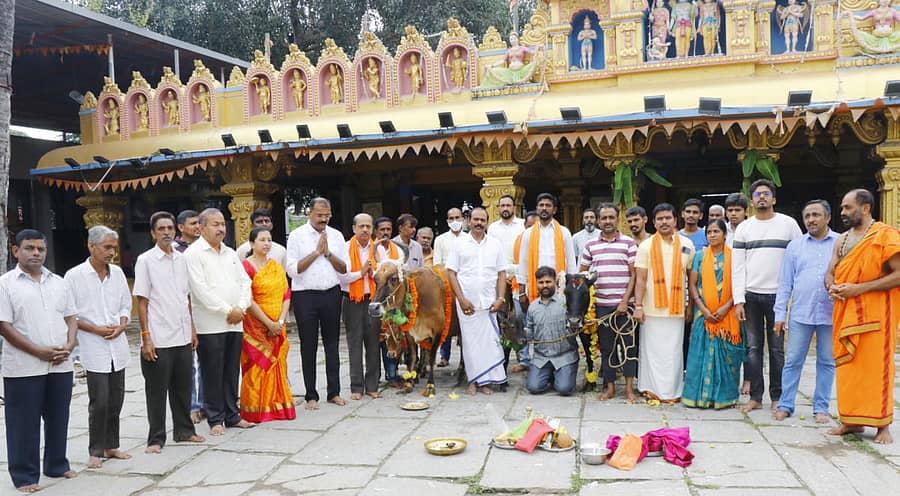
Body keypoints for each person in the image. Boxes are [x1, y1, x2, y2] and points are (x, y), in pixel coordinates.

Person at [0, 230, 78, 492]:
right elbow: (4, 326)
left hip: (60, 362)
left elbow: (71, 317)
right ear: (15, 251)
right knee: (23, 422)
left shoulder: (59, 282)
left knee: (58, 417)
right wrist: (38, 351)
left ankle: (56, 464)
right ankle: (24, 476)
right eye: (29, 248)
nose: (36, 253)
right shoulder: (5, 284)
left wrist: (70, 344)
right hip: (24, 366)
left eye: (40, 249)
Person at [827, 189, 900, 444]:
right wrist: (831, 286)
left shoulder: (885, 235)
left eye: (848, 207)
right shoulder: (842, 240)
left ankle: (882, 425)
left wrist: (859, 289)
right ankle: (851, 421)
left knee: (877, 370)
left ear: (866, 208)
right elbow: (831, 271)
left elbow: (898, 274)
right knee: (848, 370)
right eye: (842, 208)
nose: (843, 212)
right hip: (846, 313)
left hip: (877, 315)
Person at [133, 212, 204, 454]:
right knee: (156, 391)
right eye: (161, 228)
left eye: (170, 228)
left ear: (175, 230)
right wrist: (146, 336)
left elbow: (186, 297)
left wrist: (192, 329)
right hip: (158, 335)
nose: (166, 232)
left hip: (182, 333)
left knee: (183, 387)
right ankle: (155, 439)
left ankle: (184, 431)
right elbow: (142, 301)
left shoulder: (182, 259)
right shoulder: (145, 260)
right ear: (153, 233)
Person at [64, 226, 132, 469]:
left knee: (116, 399)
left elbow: (126, 304)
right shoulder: (74, 276)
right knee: (100, 401)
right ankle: (95, 450)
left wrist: (122, 325)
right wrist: (94, 329)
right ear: (91, 246)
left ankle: (111, 445)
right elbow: (69, 314)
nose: (112, 252)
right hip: (93, 346)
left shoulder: (118, 273)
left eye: (114, 247)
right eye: (107, 247)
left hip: (117, 345)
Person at [732, 179, 802, 413]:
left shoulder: (789, 225)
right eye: (757, 194)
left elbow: (798, 259)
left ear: (774, 198)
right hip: (751, 296)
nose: (761, 197)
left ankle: (777, 396)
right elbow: (737, 267)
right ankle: (755, 397)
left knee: (776, 349)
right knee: (753, 348)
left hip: (779, 297)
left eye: (766, 193)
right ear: (751, 201)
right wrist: (738, 300)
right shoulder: (744, 228)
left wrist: (793, 295)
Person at [184, 208, 255, 434]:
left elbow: (245, 282)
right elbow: (199, 290)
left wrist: (241, 307)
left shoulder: (230, 253)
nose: (221, 228)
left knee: (231, 370)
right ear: (201, 228)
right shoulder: (193, 254)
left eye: (223, 224)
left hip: (235, 322)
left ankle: (232, 415)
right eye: (215, 224)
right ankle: (215, 419)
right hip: (210, 324)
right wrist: (228, 310)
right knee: (212, 372)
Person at [773, 200, 836, 423]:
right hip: (801, 313)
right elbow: (785, 283)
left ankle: (821, 408)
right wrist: (780, 314)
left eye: (816, 215)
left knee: (827, 362)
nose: (811, 219)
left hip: (831, 314)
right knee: (793, 361)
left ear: (828, 218)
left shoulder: (841, 243)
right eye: (807, 216)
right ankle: (786, 404)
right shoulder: (795, 246)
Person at [286, 198, 348, 409]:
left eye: (327, 215)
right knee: (308, 345)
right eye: (319, 215)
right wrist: (316, 252)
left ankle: (334, 392)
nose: (323, 219)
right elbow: (293, 270)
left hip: (331, 293)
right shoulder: (297, 236)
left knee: (332, 344)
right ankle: (311, 395)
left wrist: (328, 253)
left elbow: (344, 268)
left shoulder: (336, 235)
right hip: (305, 296)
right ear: (309, 213)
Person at [633, 203, 696, 402]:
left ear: (675, 220)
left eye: (668, 218)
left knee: (673, 352)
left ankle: (672, 391)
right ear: (653, 222)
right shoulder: (646, 246)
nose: (664, 222)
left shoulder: (687, 245)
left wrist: (690, 306)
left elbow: (691, 279)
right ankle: (650, 388)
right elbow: (640, 279)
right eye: (660, 219)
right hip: (651, 309)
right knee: (652, 352)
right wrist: (638, 306)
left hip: (676, 309)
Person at [579, 204, 638, 402]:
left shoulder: (629, 243)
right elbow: (583, 276)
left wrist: (625, 301)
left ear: (617, 219)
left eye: (611, 217)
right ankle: (610, 388)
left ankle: (629, 389)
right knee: (607, 348)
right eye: (603, 218)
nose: (607, 221)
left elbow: (634, 275)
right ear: (598, 220)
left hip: (625, 306)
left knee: (629, 347)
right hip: (602, 306)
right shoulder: (590, 246)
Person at [683, 219, 745, 409]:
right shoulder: (700, 256)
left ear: (725, 234)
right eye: (709, 232)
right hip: (703, 314)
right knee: (699, 355)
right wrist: (703, 309)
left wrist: (726, 306)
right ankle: (698, 397)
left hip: (728, 313)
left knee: (729, 356)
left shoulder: (734, 256)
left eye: (716, 231)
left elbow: (739, 284)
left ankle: (724, 398)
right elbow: (693, 285)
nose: (712, 235)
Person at [447, 207, 508, 395]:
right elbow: (451, 273)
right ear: (469, 221)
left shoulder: (495, 244)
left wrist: (500, 298)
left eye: (482, 220)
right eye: (476, 219)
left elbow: (502, 273)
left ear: (487, 223)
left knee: (488, 343)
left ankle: (485, 381)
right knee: (470, 343)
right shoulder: (459, 244)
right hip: (468, 304)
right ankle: (473, 380)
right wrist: (461, 299)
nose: (479, 223)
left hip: (489, 303)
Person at [239, 227, 295, 422]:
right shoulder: (245, 267)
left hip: (278, 324)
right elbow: (248, 298)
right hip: (255, 325)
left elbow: (286, 294)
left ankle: (278, 407)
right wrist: (268, 323)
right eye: (262, 240)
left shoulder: (276, 266)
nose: (267, 243)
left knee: (278, 364)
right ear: (252, 243)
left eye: (269, 240)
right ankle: (256, 409)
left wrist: (279, 321)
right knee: (257, 366)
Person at [339, 214, 383, 400]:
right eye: (361, 226)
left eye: (368, 226)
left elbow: (385, 276)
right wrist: (361, 272)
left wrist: (374, 274)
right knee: (354, 343)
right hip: (352, 300)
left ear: (372, 229)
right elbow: (342, 278)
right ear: (354, 228)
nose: (365, 230)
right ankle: (356, 387)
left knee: (373, 343)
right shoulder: (344, 248)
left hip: (374, 300)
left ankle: (372, 385)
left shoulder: (379, 249)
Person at [524, 266, 578, 395]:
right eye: (541, 282)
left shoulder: (566, 303)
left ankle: (562, 374)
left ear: (555, 282)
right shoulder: (533, 307)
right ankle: (550, 375)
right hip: (541, 357)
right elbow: (529, 331)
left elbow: (576, 324)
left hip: (564, 356)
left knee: (564, 389)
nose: (545, 285)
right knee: (533, 387)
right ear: (536, 284)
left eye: (548, 282)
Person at [518, 193, 577, 306]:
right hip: (536, 287)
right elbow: (523, 263)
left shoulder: (564, 232)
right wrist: (522, 293)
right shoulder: (528, 233)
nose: (544, 208)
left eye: (548, 205)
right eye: (541, 205)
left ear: (554, 210)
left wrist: (572, 288)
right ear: (537, 209)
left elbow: (571, 262)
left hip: (559, 288)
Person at [433, 207, 467, 367]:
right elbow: (436, 264)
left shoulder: (469, 238)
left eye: (457, 217)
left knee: (464, 320)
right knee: (445, 318)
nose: (455, 221)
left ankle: (465, 359)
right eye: (451, 218)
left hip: (464, 284)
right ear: (447, 221)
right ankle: (444, 356)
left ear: (463, 219)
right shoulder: (440, 240)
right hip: (445, 285)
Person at [373, 216, 404, 385]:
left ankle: (392, 375)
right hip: (375, 298)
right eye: (382, 229)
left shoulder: (397, 250)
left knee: (392, 336)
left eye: (388, 229)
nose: (386, 232)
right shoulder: (372, 250)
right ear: (376, 231)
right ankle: (375, 376)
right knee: (375, 339)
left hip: (392, 301)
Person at [509, 210, 539, 373]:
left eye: (535, 226)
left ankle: (541, 359)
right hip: (519, 290)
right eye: (529, 226)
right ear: (524, 226)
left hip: (541, 291)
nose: (532, 229)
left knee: (540, 325)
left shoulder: (545, 241)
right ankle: (525, 359)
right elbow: (509, 265)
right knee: (521, 325)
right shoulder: (518, 241)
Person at [488, 194, 526, 265]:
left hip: (520, 268)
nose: (505, 208)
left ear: (514, 208)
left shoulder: (523, 225)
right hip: (499, 268)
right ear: (498, 208)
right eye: (502, 206)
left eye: (508, 205)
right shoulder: (492, 227)